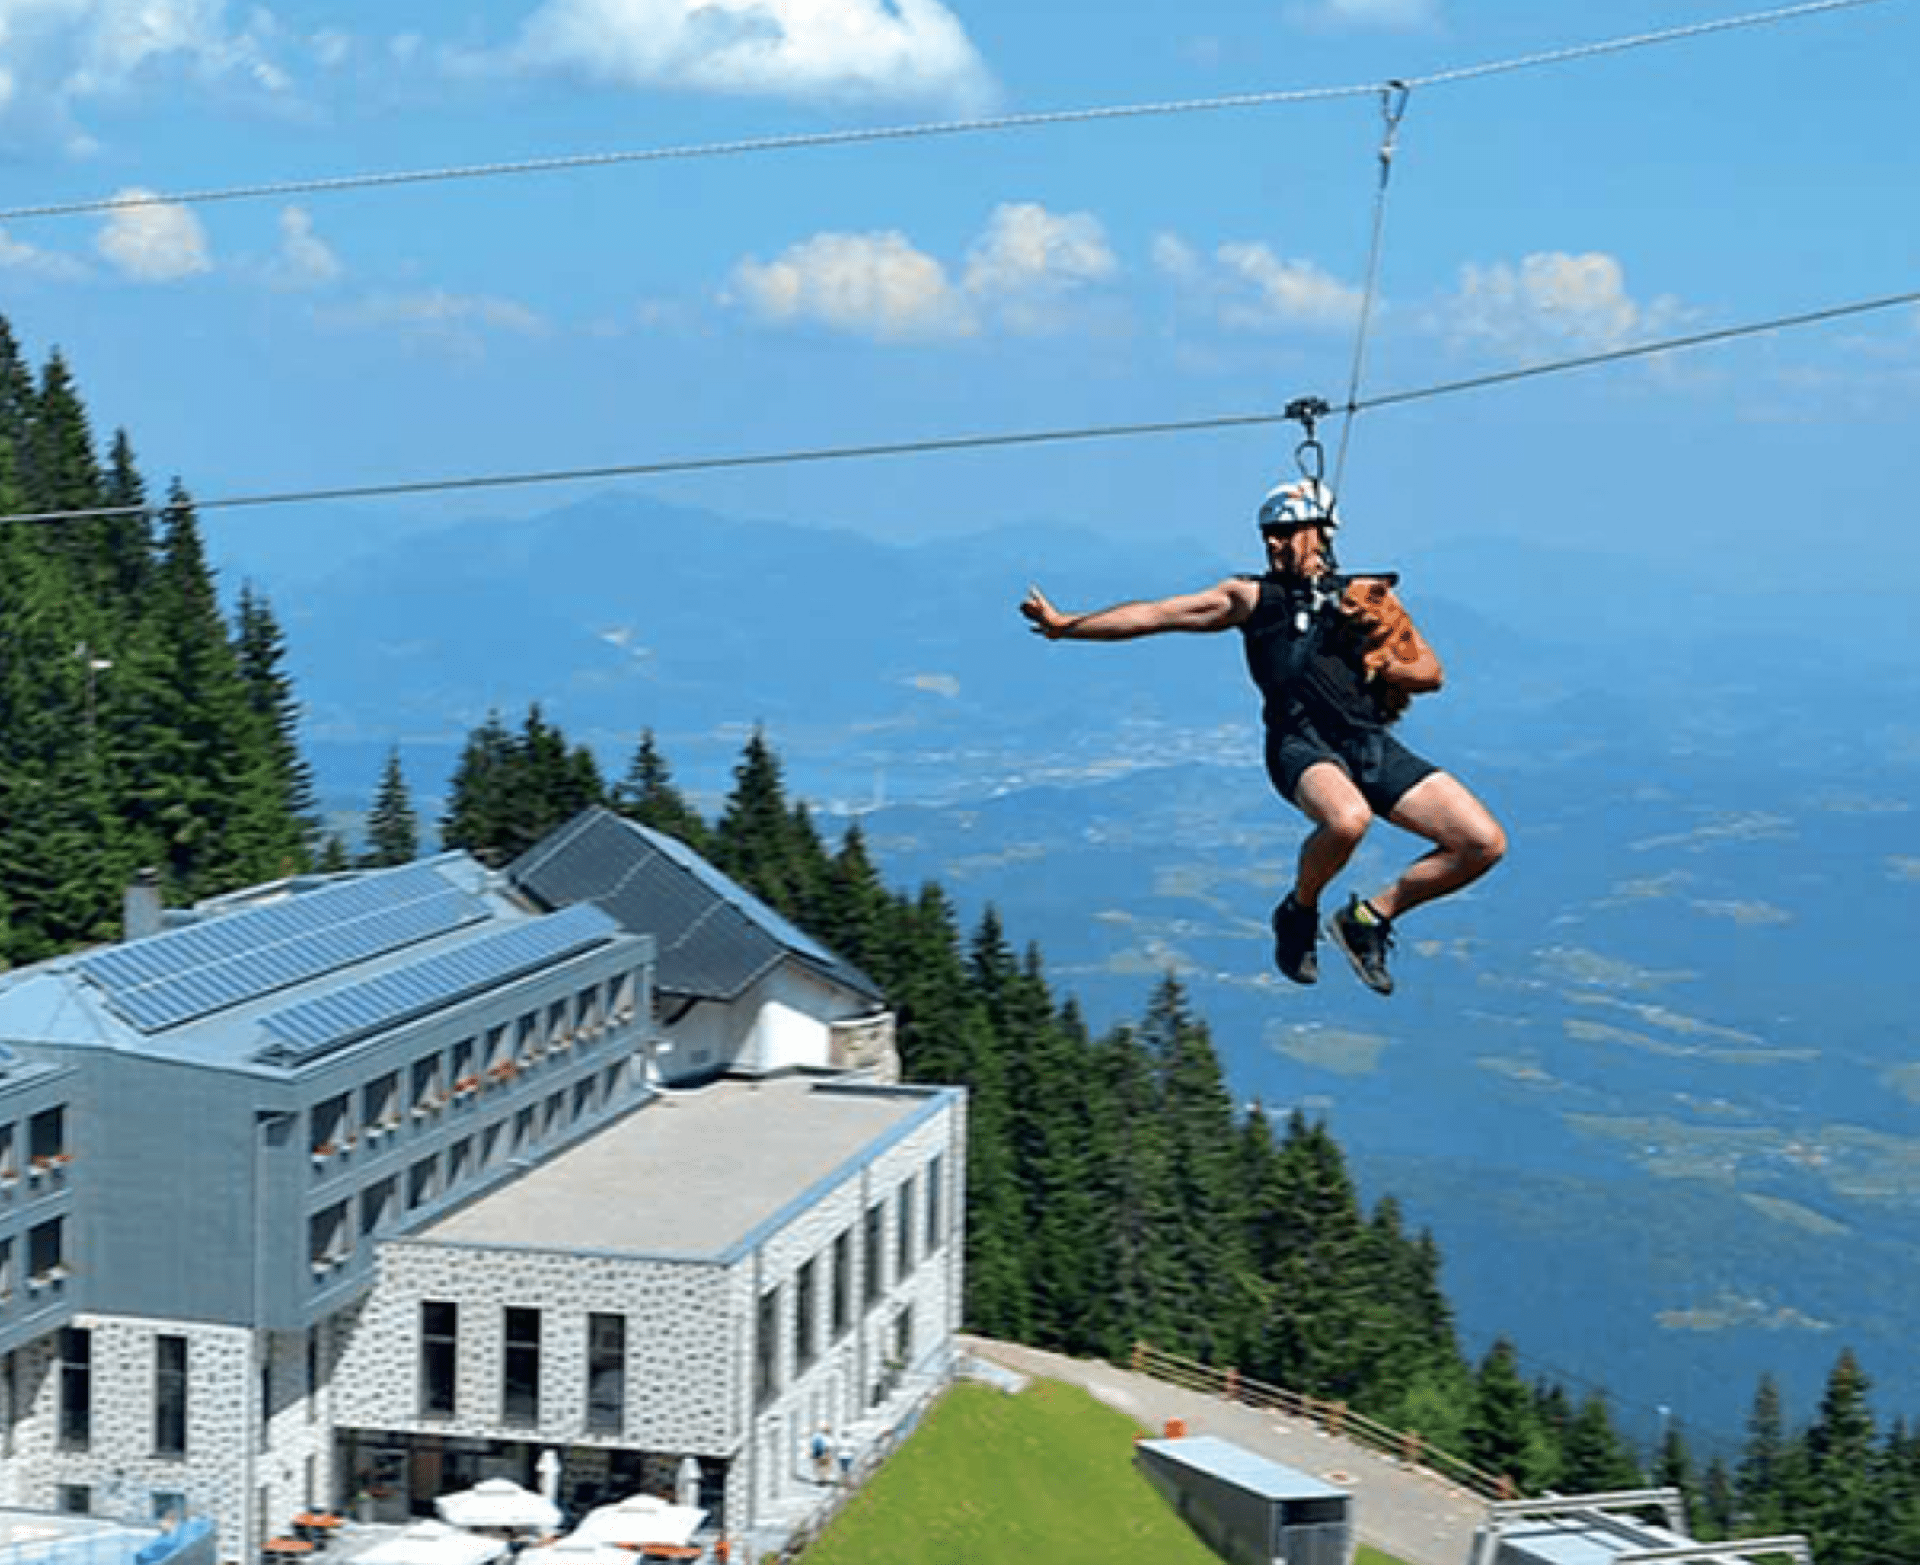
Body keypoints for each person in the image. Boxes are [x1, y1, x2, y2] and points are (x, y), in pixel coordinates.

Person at [1018, 478, 1505, 995]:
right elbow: (1157, 615)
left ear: (1320, 534)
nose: (1273, 544)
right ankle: (1298, 912)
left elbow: (1430, 672)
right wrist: (1066, 625)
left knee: (1481, 843)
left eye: (1286, 533)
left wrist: (1383, 657)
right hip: (1301, 746)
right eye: (1268, 534)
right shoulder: (1251, 599)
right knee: (1347, 821)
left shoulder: (1367, 599)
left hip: (1368, 743)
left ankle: (1369, 919)